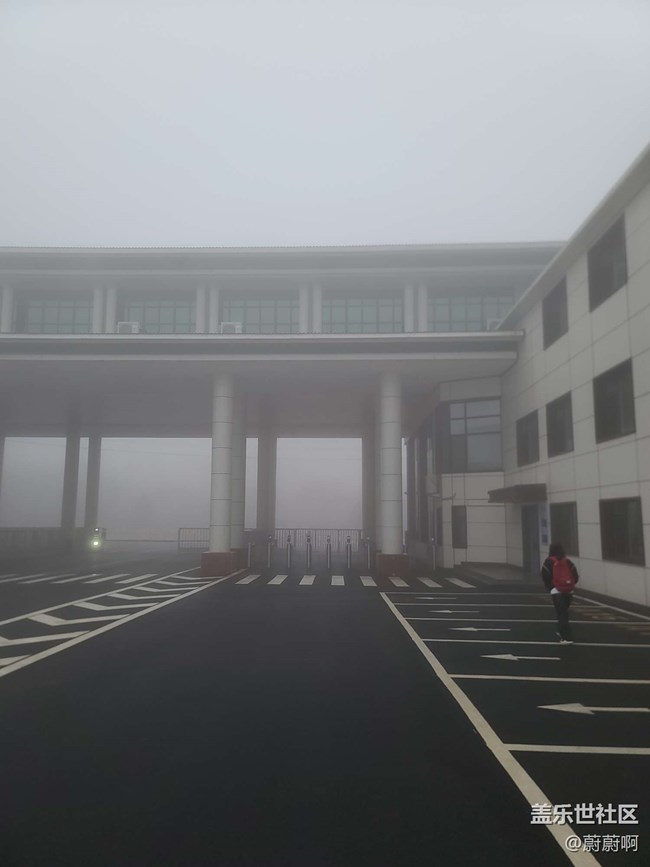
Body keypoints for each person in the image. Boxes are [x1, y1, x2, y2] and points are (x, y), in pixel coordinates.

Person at [541, 542, 579, 643]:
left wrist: (551, 588)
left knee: (561, 614)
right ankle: (561, 631)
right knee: (564, 613)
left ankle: (566, 637)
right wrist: (570, 585)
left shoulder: (548, 562)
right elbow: (575, 576)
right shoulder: (567, 561)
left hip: (556, 591)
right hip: (569, 591)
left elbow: (545, 575)